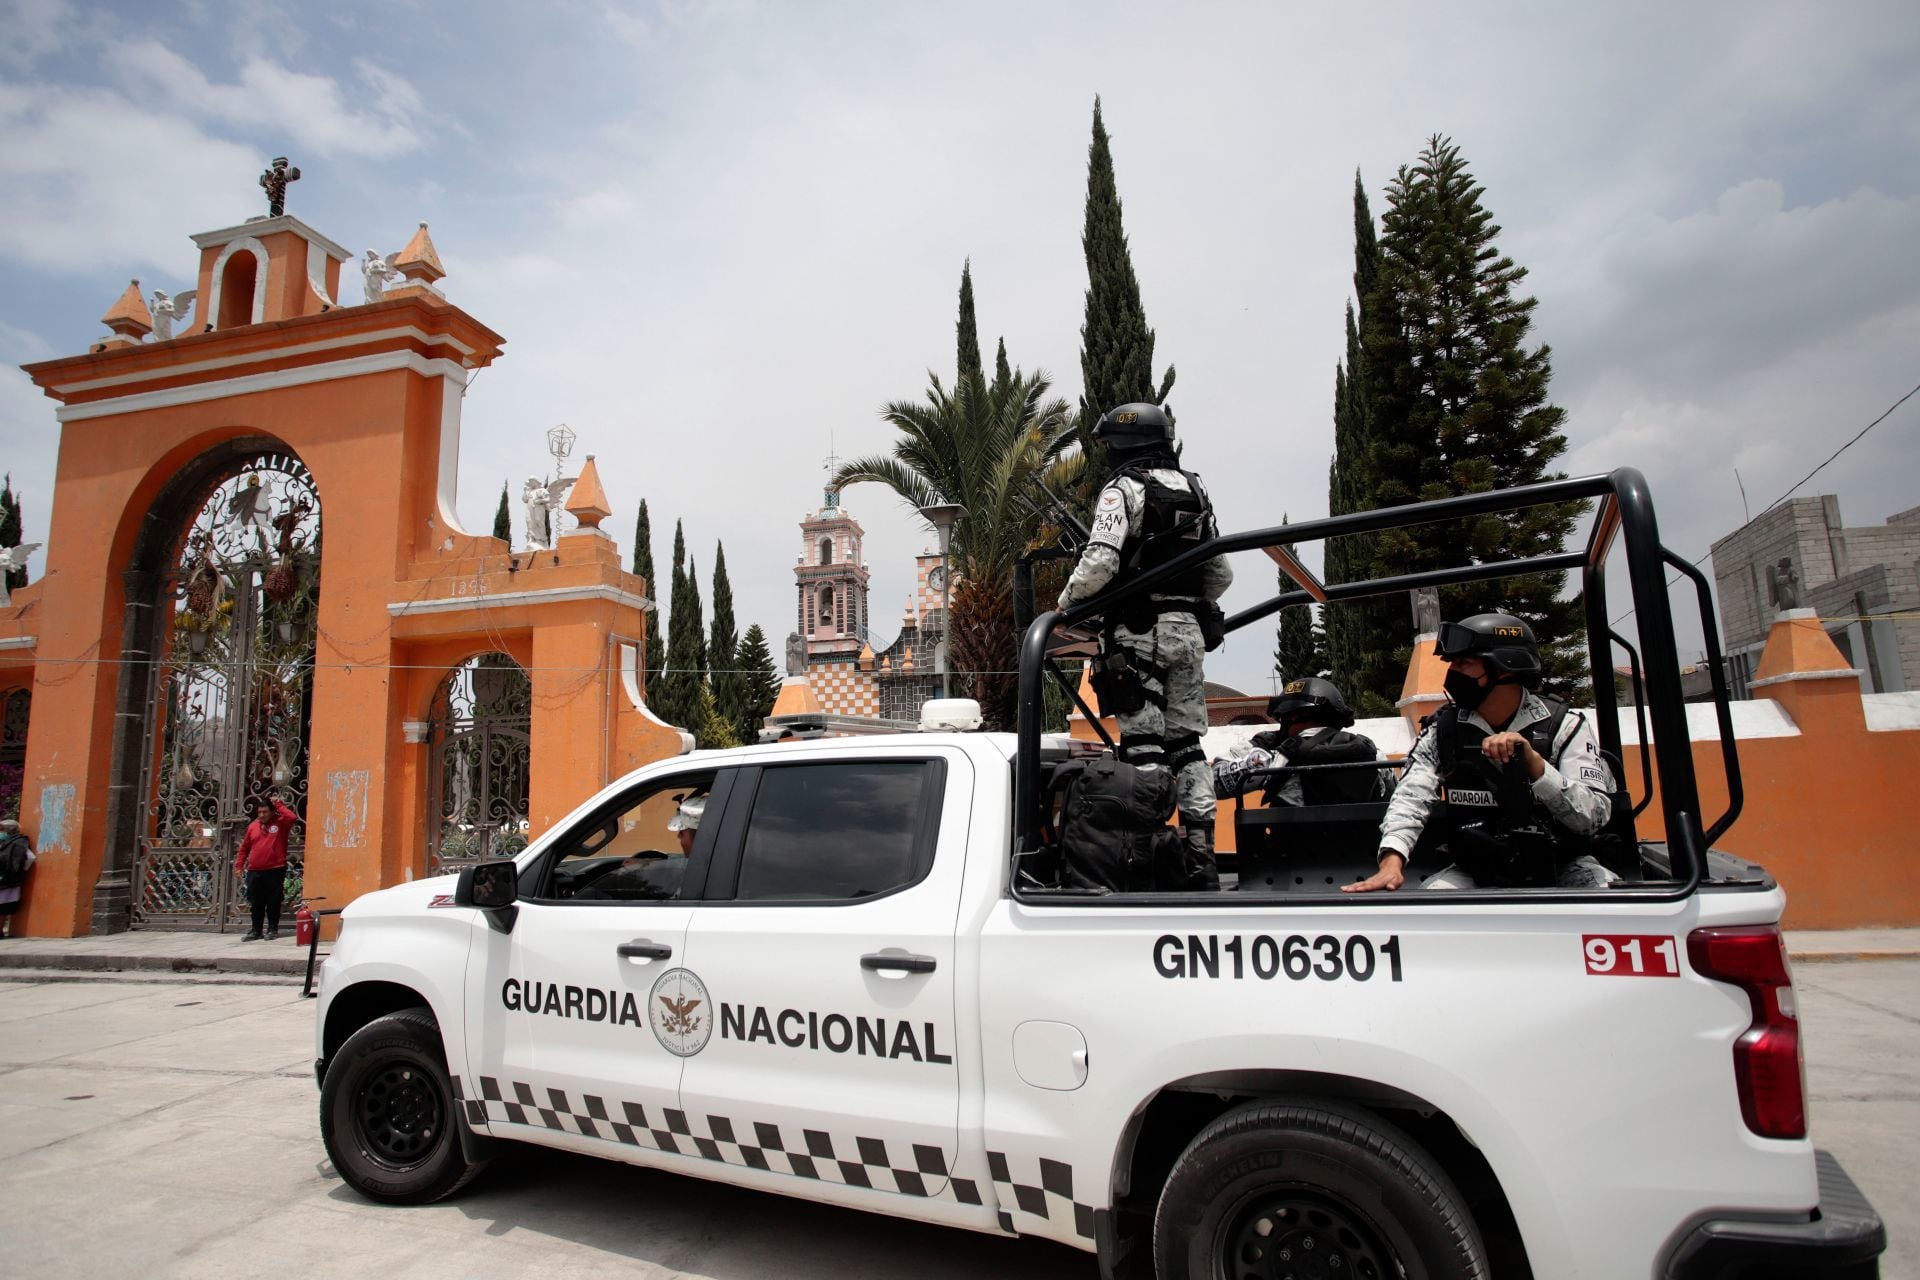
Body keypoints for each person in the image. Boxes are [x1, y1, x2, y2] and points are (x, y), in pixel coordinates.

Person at [1058, 402, 1233, 888]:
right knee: (1187, 745)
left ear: (1121, 445)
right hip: (1189, 633)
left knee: (1144, 744)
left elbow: (1099, 562)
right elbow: (1220, 572)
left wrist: (1065, 606)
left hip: (1139, 634)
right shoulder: (1196, 490)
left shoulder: (1122, 490)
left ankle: (1149, 849)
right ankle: (1201, 854)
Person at [1344, 612, 1617, 893]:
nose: (1452, 673)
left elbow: (1592, 817)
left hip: (1563, 866)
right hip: (1476, 870)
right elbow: (1410, 797)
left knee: (1613, 905)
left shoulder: (1564, 726)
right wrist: (1392, 859)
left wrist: (1536, 766)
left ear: (1505, 668)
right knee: (1428, 911)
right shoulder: (1444, 730)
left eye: (1464, 663)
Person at [1212, 677, 1391, 807]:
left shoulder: (1272, 754)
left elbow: (1212, 784)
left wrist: (1264, 763)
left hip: (1289, 853)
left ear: (1294, 715)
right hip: (1364, 852)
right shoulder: (1370, 752)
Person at [234, 795, 301, 940]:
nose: (262, 815)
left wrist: (278, 803)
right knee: (256, 902)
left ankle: (272, 929)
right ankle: (256, 930)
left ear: (271, 812)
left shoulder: (281, 823)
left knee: (273, 900)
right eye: (260, 812)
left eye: (265, 812)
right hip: (254, 870)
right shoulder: (253, 826)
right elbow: (245, 848)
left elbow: (292, 817)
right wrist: (239, 865)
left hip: (275, 869)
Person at [0, 818, 35, 938]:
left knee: (2, 908)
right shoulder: (4, 843)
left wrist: (18, 870)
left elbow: (29, 858)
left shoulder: (18, 843)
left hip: (7, 879)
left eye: (2, 829)